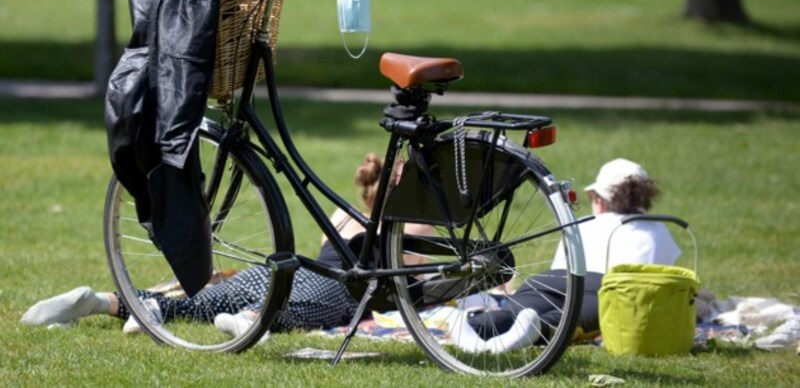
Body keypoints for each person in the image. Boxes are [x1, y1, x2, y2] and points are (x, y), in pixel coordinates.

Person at [21, 152, 420, 339]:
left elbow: (324, 248)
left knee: (202, 301)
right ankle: (250, 320)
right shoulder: (412, 227)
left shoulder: (344, 215)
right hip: (342, 286)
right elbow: (422, 276)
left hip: (293, 270)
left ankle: (103, 301)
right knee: (310, 310)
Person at [450, 158, 682, 352]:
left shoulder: (582, 224)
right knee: (569, 319)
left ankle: (475, 326)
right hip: (610, 289)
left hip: (552, 279)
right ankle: (534, 330)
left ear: (598, 200)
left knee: (514, 309)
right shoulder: (658, 231)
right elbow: (663, 288)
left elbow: (562, 265)